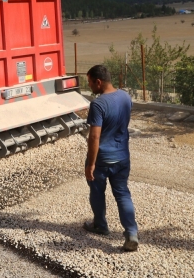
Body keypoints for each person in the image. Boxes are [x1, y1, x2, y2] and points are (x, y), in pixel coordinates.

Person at [83, 65, 139, 251]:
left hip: (102, 159)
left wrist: (91, 164)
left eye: (90, 82)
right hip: (122, 156)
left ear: (98, 82)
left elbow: (94, 136)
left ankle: (100, 225)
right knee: (122, 193)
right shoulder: (125, 97)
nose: (89, 85)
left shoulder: (98, 104)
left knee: (97, 191)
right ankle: (131, 232)